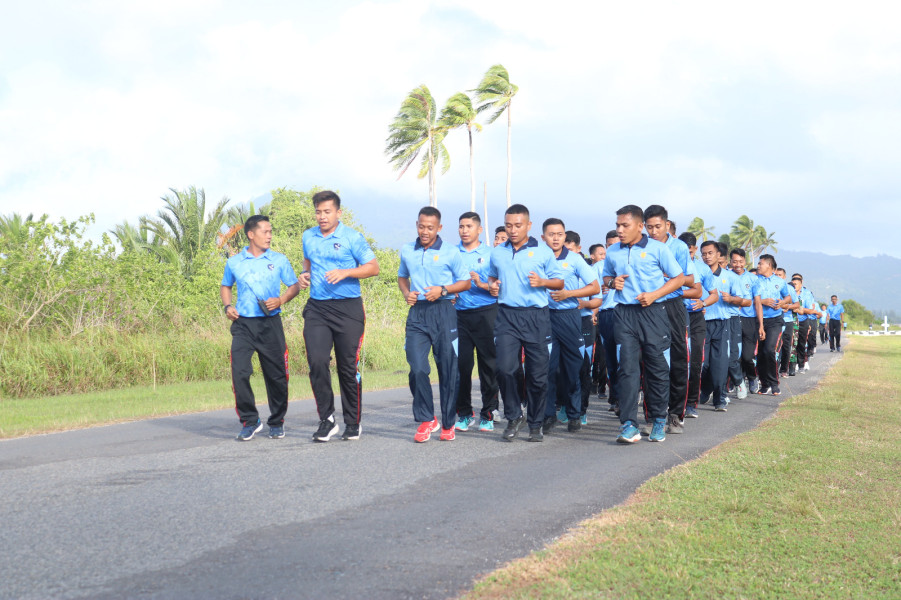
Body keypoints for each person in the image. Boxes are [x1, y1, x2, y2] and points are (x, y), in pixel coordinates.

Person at [301, 191, 380, 442]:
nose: (322, 216)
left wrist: (345, 273)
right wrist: (304, 275)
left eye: (327, 211)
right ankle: (327, 420)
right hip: (317, 308)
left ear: (338, 213)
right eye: (318, 212)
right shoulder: (308, 236)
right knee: (317, 361)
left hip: (348, 309)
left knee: (347, 367)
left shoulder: (352, 237)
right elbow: (308, 264)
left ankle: (353, 421)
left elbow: (373, 268)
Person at [601, 205, 684, 443]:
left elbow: (678, 278)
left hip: (653, 313)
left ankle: (659, 419)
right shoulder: (613, 251)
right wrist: (612, 281)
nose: (619, 230)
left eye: (624, 225)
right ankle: (629, 424)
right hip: (624, 314)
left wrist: (655, 295)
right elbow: (606, 276)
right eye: (617, 225)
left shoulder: (658, 249)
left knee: (657, 369)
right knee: (626, 369)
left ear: (639, 226)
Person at [488, 204, 564, 442]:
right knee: (504, 368)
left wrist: (542, 282)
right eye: (509, 225)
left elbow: (559, 282)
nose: (512, 230)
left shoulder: (542, 251)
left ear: (528, 226)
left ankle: (535, 423)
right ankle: (513, 416)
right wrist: (492, 285)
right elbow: (493, 275)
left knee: (537, 374)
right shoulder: (498, 252)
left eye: (518, 225)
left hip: (536, 317)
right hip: (507, 315)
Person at [221, 215, 300, 441]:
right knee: (240, 372)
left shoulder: (279, 259)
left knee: (276, 376)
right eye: (265, 231)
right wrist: (228, 306)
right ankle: (250, 420)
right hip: (243, 325)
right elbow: (226, 285)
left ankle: (276, 421)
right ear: (251, 234)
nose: (269, 236)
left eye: (270, 231)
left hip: (270, 323)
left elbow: (294, 286)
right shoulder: (234, 262)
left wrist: (281, 300)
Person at [398, 207, 470, 443]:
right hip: (417, 314)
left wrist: (444, 290)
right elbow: (402, 276)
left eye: (430, 227)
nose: (425, 231)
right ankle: (428, 419)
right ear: (416, 224)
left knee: (448, 368)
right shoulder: (408, 250)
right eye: (421, 226)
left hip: (444, 311)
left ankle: (449, 422)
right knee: (417, 367)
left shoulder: (450, 252)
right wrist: (407, 293)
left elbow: (466, 283)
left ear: (439, 228)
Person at [643, 205, 698, 433]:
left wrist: (671, 278)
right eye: (649, 227)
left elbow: (691, 279)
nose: (654, 231)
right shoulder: (640, 247)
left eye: (658, 226)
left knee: (678, 360)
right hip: (648, 307)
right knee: (649, 360)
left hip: (673, 306)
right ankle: (652, 415)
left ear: (667, 225)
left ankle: (675, 414)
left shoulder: (679, 248)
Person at [541, 219, 599, 433]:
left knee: (572, 368)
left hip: (569, 317)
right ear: (543, 237)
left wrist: (569, 294)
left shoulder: (575, 260)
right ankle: (548, 415)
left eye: (559, 234)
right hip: (545, 318)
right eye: (551, 234)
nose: (555, 238)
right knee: (547, 368)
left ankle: (574, 414)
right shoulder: (538, 258)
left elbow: (594, 286)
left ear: (565, 237)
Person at [454, 212, 500, 432]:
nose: (464, 230)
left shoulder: (492, 254)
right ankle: (463, 413)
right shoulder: (452, 253)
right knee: (461, 366)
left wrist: (480, 283)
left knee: (488, 366)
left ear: (479, 230)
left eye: (469, 226)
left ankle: (488, 413)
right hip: (459, 314)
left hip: (486, 312)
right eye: (461, 226)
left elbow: (499, 288)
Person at [678, 233, 719, 418]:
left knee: (695, 363)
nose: (685, 253)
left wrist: (703, 303)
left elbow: (714, 294)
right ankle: (674, 404)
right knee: (676, 362)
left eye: (688, 250)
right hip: (676, 317)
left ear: (694, 249)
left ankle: (691, 404)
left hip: (696, 319)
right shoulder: (671, 265)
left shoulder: (702, 269)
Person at [698, 241, 743, 412]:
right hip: (701, 323)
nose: (707, 257)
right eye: (704, 254)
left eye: (710, 253)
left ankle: (720, 398)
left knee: (720, 363)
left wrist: (730, 299)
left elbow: (740, 300)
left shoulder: (730, 277)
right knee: (704, 363)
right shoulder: (697, 275)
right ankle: (705, 389)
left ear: (718, 255)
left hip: (722, 323)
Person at [755, 255, 793, 395]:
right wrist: (763, 301)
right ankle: (764, 384)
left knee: (769, 351)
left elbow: (788, 297)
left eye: (761, 263)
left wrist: (782, 303)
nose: (758, 265)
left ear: (769, 265)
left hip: (775, 320)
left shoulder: (780, 282)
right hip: (758, 321)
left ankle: (774, 382)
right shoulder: (755, 280)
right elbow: (748, 299)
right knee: (760, 354)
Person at [729, 249, 761, 398]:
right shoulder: (727, 276)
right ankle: (737, 381)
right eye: (734, 261)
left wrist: (761, 325)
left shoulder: (753, 279)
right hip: (731, 319)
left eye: (740, 261)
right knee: (734, 354)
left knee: (748, 356)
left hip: (749, 320)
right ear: (730, 262)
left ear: (745, 262)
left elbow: (758, 303)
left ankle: (752, 378)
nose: (738, 264)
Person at [596, 232, 620, 413]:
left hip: (624, 312)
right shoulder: (598, 267)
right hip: (606, 315)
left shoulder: (627, 262)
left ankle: (627, 394)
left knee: (626, 358)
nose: (611, 248)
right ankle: (616, 397)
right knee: (610, 358)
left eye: (614, 244)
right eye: (608, 245)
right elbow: (593, 290)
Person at [776, 268, 801, 377]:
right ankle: (773, 369)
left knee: (786, 346)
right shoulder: (771, 287)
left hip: (788, 321)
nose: (778, 277)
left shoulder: (789, 288)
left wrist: (787, 307)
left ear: (784, 277)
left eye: (780, 275)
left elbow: (797, 305)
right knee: (775, 346)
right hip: (774, 320)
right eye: (776, 274)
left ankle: (784, 370)